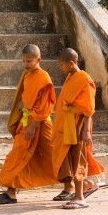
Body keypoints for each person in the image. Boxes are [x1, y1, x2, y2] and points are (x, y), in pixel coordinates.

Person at [0, 44, 58, 204]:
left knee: (54, 156)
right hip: (26, 120)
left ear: (38, 60)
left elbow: (45, 106)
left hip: (39, 124)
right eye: (23, 61)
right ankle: (11, 192)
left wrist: (33, 126)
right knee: (18, 154)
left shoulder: (44, 78)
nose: (25, 64)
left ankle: (78, 184)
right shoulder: (27, 75)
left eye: (29, 61)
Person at [52, 48, 104, 209]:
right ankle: (88, 184)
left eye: (61, 65)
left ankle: (80, 197)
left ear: (71, 63)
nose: (60, 68)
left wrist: (86, 130)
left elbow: (88, 109)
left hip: (78, 125)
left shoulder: (84, 80)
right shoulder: (71, 76)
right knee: (68, 158)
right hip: (67, 125)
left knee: (78, 158)